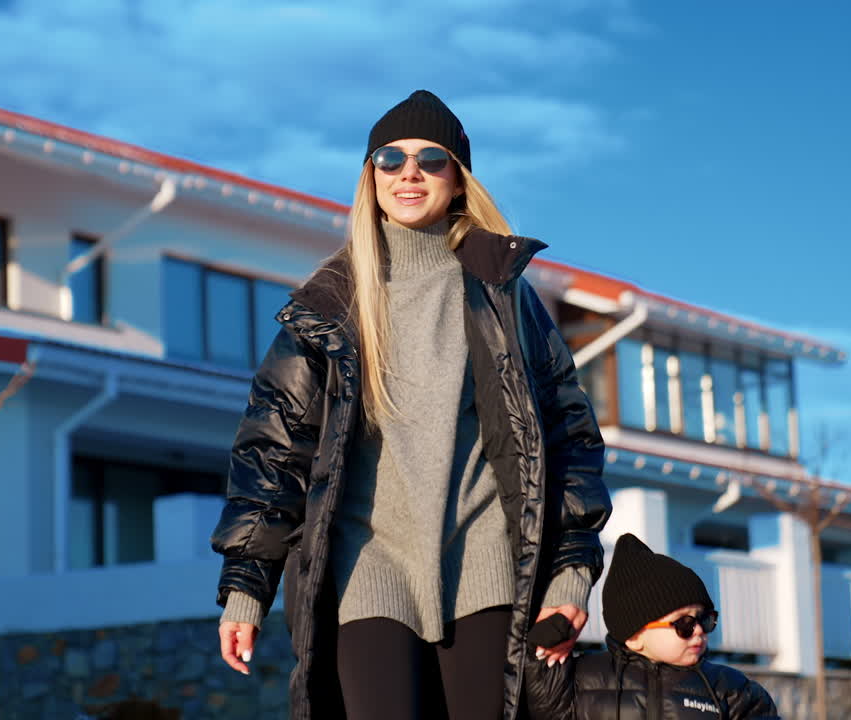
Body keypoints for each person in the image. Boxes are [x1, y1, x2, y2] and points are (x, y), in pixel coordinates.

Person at [210, 89, 612, 720]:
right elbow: (274, 452)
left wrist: (570, 573)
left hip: (484, 562)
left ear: (458, 179)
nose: (409, 173)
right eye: (390, 159)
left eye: (431, 159)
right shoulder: (328, 306)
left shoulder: (502, 292)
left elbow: (566, 438)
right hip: (367, 564)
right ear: (370, 177)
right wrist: (246, 588)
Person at [524, 533, 780, 720]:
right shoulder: (584, 679)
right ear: (635, 636)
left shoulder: (729, 688)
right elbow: (543, 699)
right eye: (684, 624)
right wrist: (545, 642)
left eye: (704, 619)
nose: (699, 631)